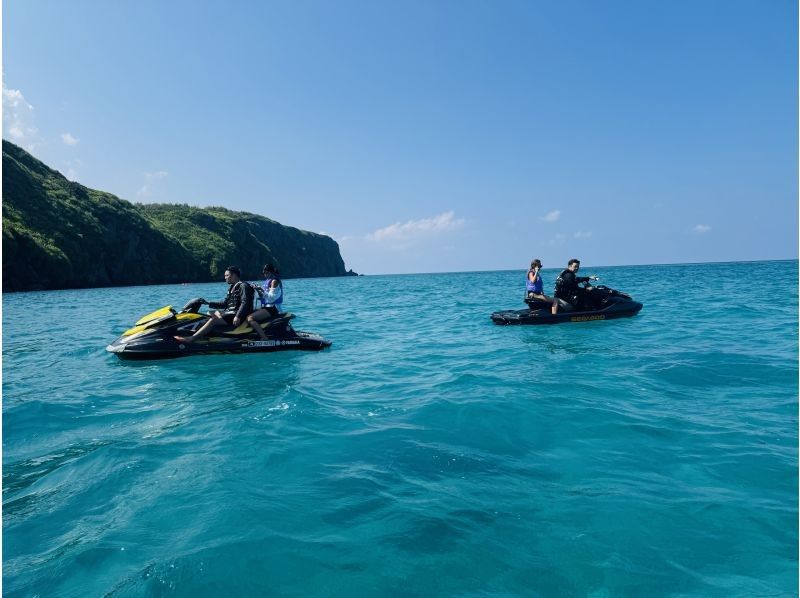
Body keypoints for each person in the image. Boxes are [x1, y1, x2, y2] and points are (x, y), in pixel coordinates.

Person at [175, 266, 254, 343]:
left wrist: (238, 316)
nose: (225, 278)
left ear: (234, 275)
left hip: (237, 315)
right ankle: (200, 334)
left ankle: (192, 338)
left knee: (214, 319)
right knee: (207, 314)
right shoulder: (231, 288)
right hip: (230, 314)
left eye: (227, 275)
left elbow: (245, 302)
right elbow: (224, 304)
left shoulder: (243, 286)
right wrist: (207, 303)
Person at [246, 263, 284, 340]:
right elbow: (263, 296)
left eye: (266, 273)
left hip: (274, 308)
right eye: (264, 273)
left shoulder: (274, 281)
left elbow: (271, 298)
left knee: (250, 318)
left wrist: (261, 289)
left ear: (271, 272)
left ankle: (264, 338)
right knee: (247, 313)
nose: (265, 275)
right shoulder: (268, 281)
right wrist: (257, 289)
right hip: (267, 307)